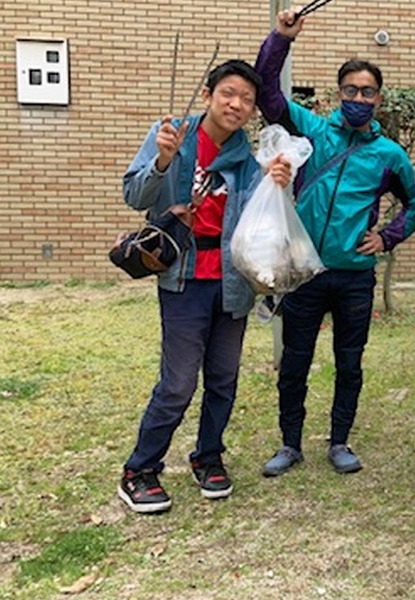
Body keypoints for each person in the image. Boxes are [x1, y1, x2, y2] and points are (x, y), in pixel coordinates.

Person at [255, 9, 415, 476]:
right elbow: (267, 91)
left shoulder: (389, 154)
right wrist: (280, 39)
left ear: (378, 98)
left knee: (349, 364)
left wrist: (387, 236)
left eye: (367, 92)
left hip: (354, 277)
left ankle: (339, 442)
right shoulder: (312, 130)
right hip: (306, 272)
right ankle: (290, 444)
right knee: (295, 363)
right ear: (339, 94)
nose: (358, 98)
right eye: (350, 90)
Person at [117, 59, 293, 514]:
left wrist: (276, 186)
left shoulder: (248, 158)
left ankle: (208, 456)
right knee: (177, 383)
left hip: (233, 281)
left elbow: (259, 221)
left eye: (247, 99)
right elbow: (134, 196)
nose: (237, 104)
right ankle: (139, 470)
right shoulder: (173, 135)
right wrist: (162, 161)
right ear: (208, 95)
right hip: (184, 278)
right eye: (228, 93)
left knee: (223, 379)